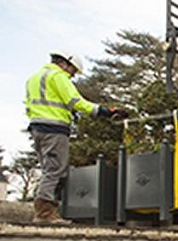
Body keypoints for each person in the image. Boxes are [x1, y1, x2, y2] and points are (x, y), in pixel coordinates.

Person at [25, 50, 127, 224]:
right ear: (65, 63)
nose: (72, 76)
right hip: (54, 128)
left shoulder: (34, 78)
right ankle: (45, 214)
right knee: (55, 170)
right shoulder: (58, 77)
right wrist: (105, 111)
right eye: (72, 71)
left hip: (37, 128)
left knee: (48, 169)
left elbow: (33, 106)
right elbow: (76, 102)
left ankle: (46, 212)